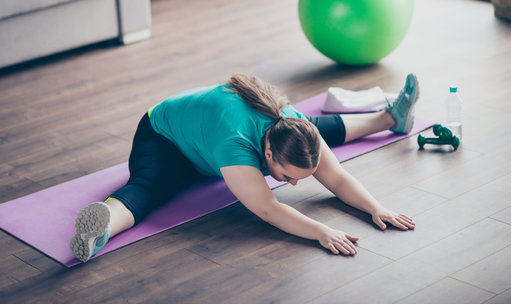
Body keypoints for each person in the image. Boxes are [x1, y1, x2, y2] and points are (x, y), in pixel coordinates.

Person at [70, 73, 419, 262]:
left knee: (322, 128)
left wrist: (376, 207)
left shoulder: (293, 125)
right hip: (165, 138)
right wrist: (322, 231)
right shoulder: (235, 143)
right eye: (287, 177)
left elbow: (337, 177)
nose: (294, 185)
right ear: (267, 154)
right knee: (149, 186)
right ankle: (102, 228)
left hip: (208, 135)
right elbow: (268, 209)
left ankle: (391, 117)